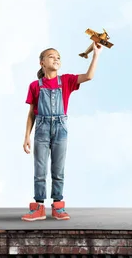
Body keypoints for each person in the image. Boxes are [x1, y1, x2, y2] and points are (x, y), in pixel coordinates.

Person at [20, 42, 102, 221]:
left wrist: (95, 54)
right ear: (41, 62)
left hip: (60, 129)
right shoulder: (35, 85)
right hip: (41, 129)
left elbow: (89, 76)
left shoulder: (66, 81)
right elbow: (31, 113)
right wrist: (27, 136)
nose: (56, 59)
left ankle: (58, 206)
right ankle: (39, 207)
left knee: (58, 169)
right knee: (40, 169)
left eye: (58, 57)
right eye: (51, 56)